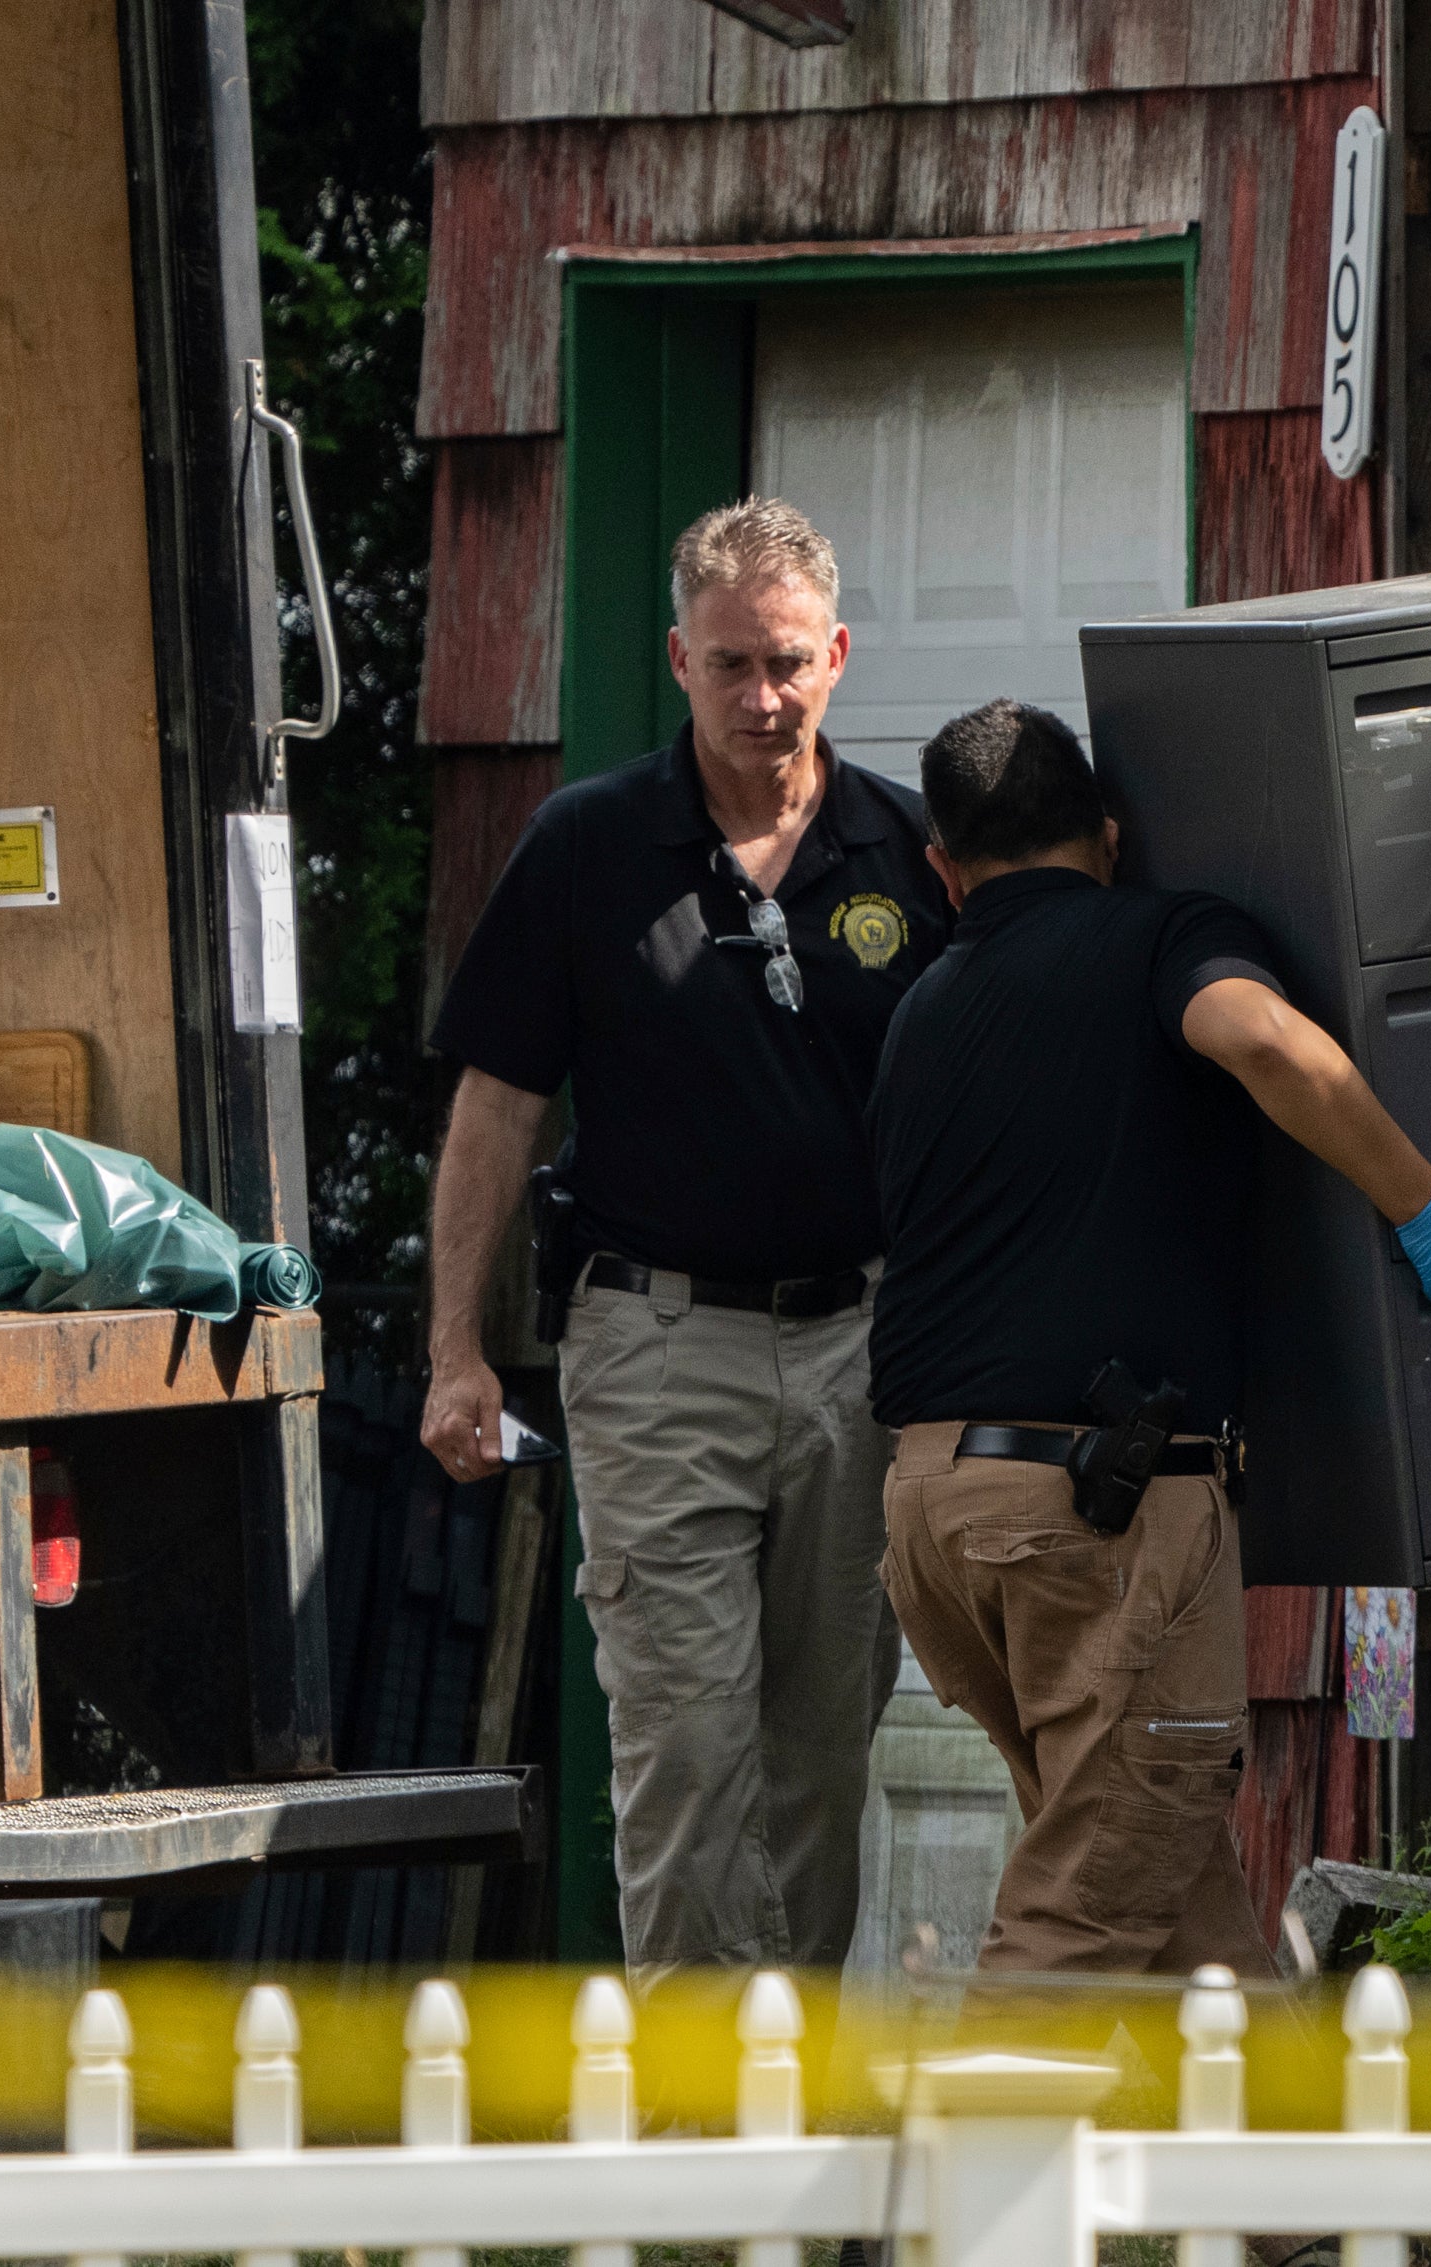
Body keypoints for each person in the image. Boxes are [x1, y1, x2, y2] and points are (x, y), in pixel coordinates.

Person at [865, 698, 1431, 1975]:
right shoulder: (1162, 936)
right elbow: (1260, 1037)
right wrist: (1418, 1197)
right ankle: (953, 2178)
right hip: (1095, 1512)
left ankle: (1255, 2170)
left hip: (935, 1509)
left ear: (943, 871)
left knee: (1171, 1900)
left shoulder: (920, 1013)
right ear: (1107, 835)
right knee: (1085, 1916)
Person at [417, 497, 951, 1974]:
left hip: (862, 1345)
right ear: (677, 661)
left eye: (788, 661)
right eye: (730, 665)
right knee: (686, 1736)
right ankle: (702, 2134)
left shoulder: (911, 852)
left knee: (824, 1740)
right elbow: (496, 1103)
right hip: (657, 1342)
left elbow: (987, 1110)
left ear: (838, 654)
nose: (762, 697)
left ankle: (806, 2108)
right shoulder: (591, 844)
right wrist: (457, 1349)